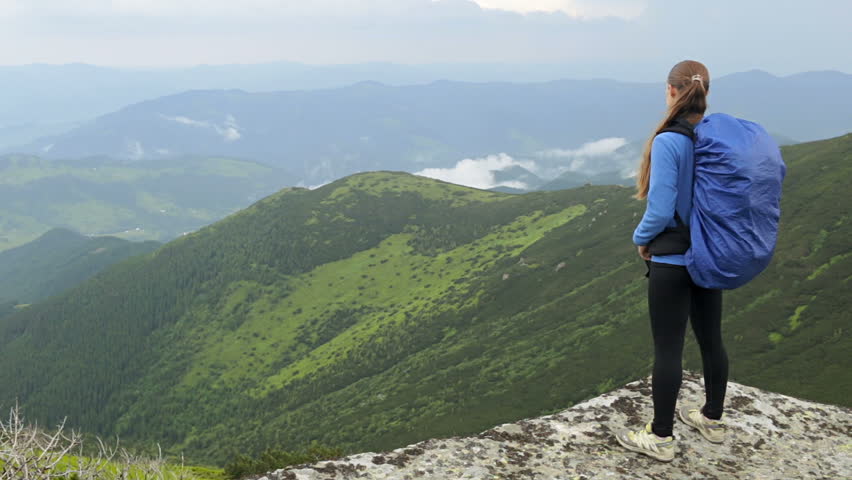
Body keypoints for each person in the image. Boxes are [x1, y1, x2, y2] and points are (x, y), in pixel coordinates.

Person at [614, 60, 729, 462]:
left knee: (668, 348)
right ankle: (712, 419)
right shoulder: (715, 137)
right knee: (711, 338)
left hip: (674, 260)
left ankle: (661, 435)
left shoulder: (670, 141)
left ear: (671, 91)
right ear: (706, 93)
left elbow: (661, 208)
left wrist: (641, 240)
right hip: (709, 253)